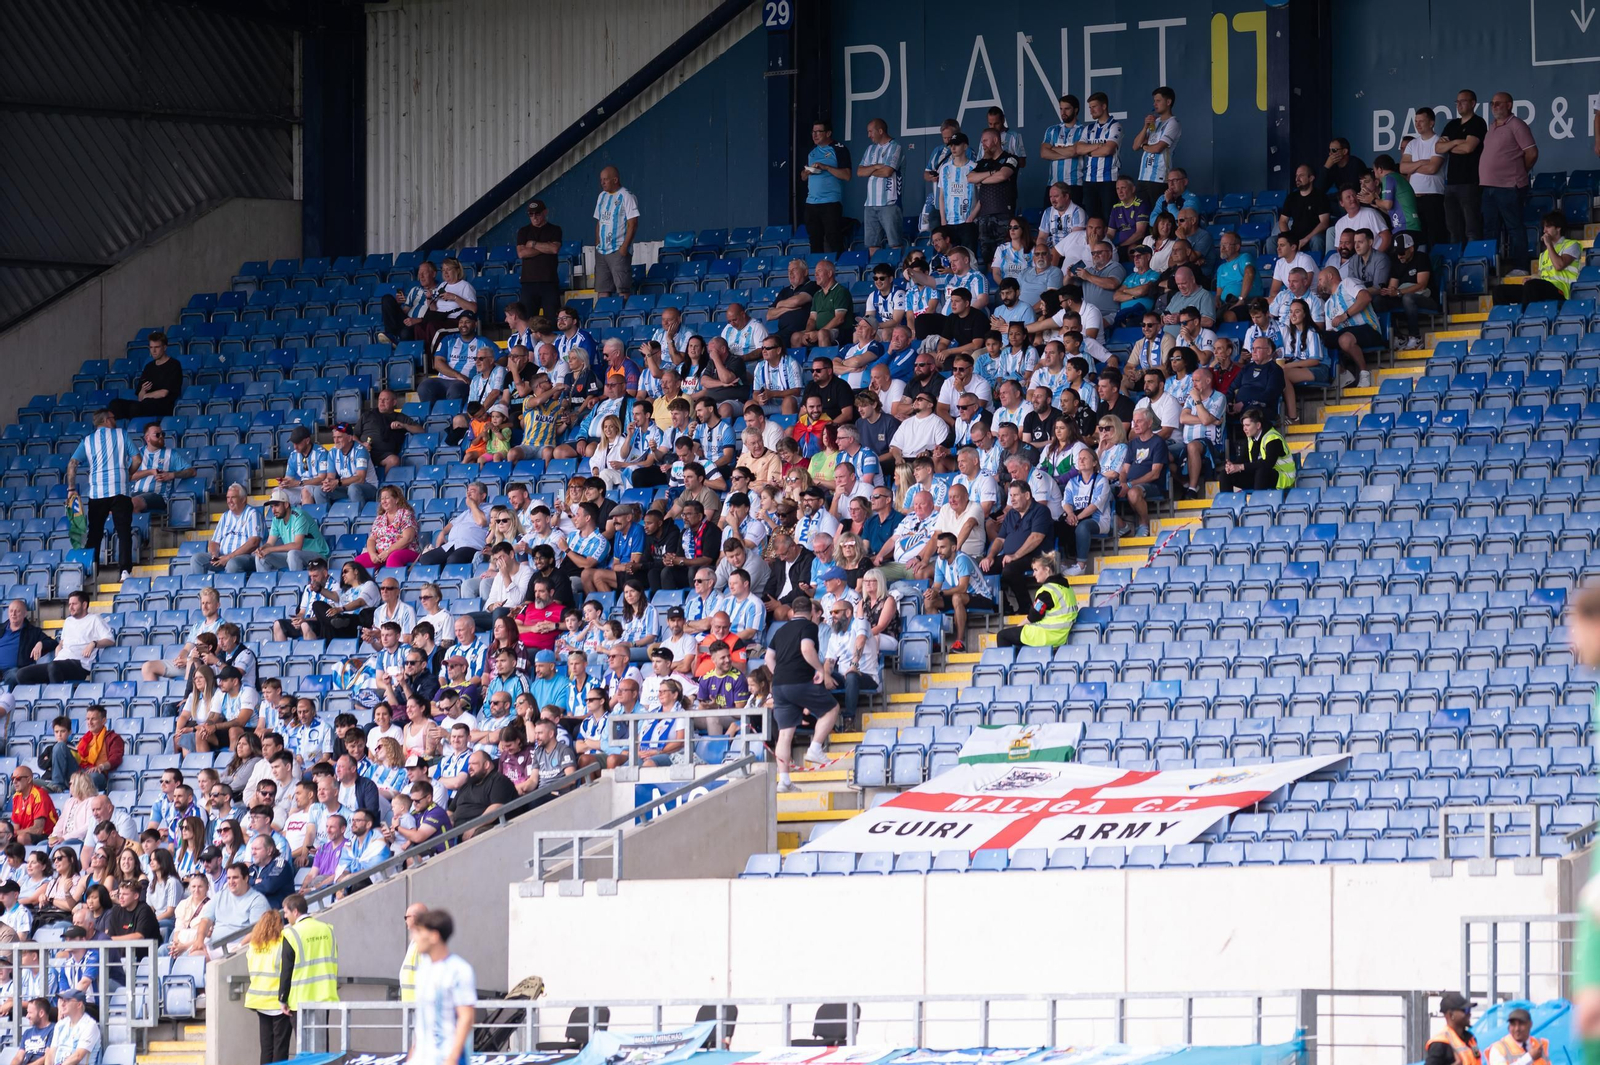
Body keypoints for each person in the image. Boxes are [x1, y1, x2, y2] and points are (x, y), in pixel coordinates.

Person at [763, 596, 838, 792]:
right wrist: (820, 669)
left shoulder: (780, 629)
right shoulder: (810, 627)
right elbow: (806, 648)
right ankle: (815, 747)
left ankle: (784, 780)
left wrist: (778, 673)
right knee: (831, 709)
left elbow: (768, 657)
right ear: (812, 613)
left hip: (779, 685)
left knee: (785, 733)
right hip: (799, 680)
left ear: (792, 612)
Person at [66, 408, 136, 579]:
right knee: (123, 531)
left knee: (95, 533)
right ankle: (125, 571)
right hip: (120, 490)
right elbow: (137, 459)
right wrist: (128, 475)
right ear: (106, 420)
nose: (116, 421)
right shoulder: (122, 434)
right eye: (113, 418)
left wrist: (71, 489)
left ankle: (91, 572)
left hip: (97, 493)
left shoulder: (88, 441)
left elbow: (72, 464)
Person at [407, 908, 475, 1065]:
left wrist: (452, 1058)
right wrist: (414, 1051)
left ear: (434, 936)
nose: (414, 938)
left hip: (445, 1058)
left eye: (418, 932)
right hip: (421, 1059)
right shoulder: (423, 969)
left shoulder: (459, 970)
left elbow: (466, 1017)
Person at [1480, 91, 1538, 272]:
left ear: (1509, 105)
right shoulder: (1492, 127)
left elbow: (1532, 153)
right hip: (1488, 187)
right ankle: (1489, 269)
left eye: (1499, 103)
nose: (1494, 106)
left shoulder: (1517, 125)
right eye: (1492, 103)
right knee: (1490, 230)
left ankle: (1520, 267)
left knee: (1514, 227)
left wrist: (1519, 172)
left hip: (1509, 187)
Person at [1497, 211, 1581, 308]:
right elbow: (1542, 276)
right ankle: (1505, 320)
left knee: (1531, 286)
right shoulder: (1543, 254)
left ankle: (1524, 318)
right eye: (1544, 227)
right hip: (1542, 288)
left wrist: (1549, 244)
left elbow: (1559, 265)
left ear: (1558, 228)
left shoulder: (1572, 245)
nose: (1544, 230)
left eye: (1548, 227)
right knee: (1499, 291)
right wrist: (1531, 278)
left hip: (1561, 291)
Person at [995, 553, 1078, 648]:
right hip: (1061, 636)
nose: (1033, 574)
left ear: (1046, 569)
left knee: (1002, 636)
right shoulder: (1067, 588)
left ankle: (1012, 663)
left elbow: (1034, 616)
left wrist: (1019, 626)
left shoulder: (1047, 591)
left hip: (1045, 635)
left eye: (1036, 570)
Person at [244, 909, 292, 1065]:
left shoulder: (254, 946)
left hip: (259, 1001)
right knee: (280, 1047)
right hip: (278, 1001)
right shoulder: (281, 943)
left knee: (266, 1048)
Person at [281, 893, 340, 1014]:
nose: (285, 917)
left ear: (295, 912)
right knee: (322, 1033)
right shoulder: (327, 929)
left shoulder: (291, 933)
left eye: (286, 912)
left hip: (301, 998)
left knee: (302, 1034)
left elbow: (287, 969)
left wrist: (282, 998)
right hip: (325, 995)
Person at [802, 119, 851, 254]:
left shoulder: (839, 149)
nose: (815, 135)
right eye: (813, 131)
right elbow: (803, 176)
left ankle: (838, 270)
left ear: (828, 133)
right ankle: (817, 271)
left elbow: (847, 175)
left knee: (833, 238)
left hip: (830, 202)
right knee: (814, 240)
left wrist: (826, 167)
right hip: (811, 203)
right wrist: (807, 172)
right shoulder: (811, 151)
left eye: (819, 131)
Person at [255, 487, 328, 572]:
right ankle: (266, 583)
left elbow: (297, 546)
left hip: (318, 556)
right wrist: (262, 549)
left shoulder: (299, 516)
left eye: (277, 505)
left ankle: (296, 581)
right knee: (261, 557)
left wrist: (270, 549)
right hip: (294, 556)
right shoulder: (276, 519)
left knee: (293, 553)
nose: (273, 510)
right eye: (272, 507)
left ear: (286, 505)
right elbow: (270, 543)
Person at [592, 167, 639, 298]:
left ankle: (622, 317)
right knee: (602, 288)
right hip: (601, 250)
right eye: (601, 180)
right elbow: (599, 221)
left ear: (615, 180)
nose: (602, 182)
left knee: (622, 289)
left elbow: (633, 224)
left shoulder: (627, 196)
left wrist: (624, 248)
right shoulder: (601, 196)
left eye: (605, 179)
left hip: (618, 249)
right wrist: (597, 242)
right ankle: (604, 317)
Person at [1224, 406, 1295, 491]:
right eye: (1243, 425)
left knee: (1262, 470)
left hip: (1283, 477)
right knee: (1225, 474)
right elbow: (1243, 459)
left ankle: (1258, 502)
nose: (1244, 429)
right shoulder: (1250, 437)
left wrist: (1240, 467)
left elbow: (1268, 463)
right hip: (1260, 476)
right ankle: (1226, 504)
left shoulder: (1273, 438)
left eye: (1247, 425)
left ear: (1258, 425)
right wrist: (1232, 466)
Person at [516, 199, 563, 319]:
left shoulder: (555, 229)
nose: (534, 217)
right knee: (527, 320)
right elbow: (521, 253)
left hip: (549, 282)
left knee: (552, 319)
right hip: (528, 283)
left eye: (537, 213)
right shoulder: (523, 231)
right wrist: (545, 246)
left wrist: (533, 244)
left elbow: (554, 249)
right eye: (531, 214)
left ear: (545, 212)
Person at [39, 989, 96, 1065]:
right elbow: (51, 1052)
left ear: (79, 1004)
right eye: (62, 1000)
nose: (62, 1004)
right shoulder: (60, 1024)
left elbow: (78, 1056)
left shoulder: (90, 1025)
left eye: (67, 1001)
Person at [1423, 992, 1480, 1065]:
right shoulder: (1439, 1043)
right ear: (1451, 1014)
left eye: (1469, 1010)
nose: (1469, 1014)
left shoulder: (1470, 1039)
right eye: (1465, 1010)